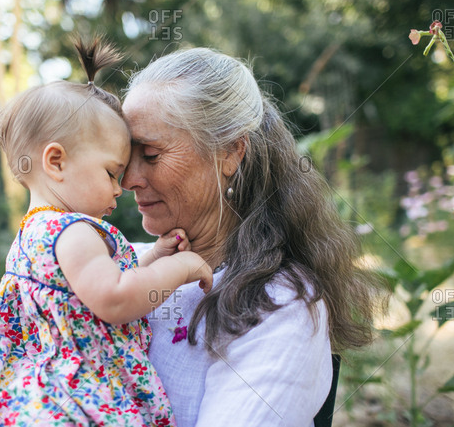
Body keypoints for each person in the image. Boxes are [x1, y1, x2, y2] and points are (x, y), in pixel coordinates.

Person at [0, 38, 212, 427]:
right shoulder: (73, 231)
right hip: (73, 391)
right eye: (111, 172)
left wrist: (155, 258)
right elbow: (113, 300)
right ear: (56, 161)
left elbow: (87, 293)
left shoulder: (36, 230)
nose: (120, 187)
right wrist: (184, 268)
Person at [121, 47, 380, 427]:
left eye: (151, 154)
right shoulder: (121, 264)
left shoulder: (280, 306)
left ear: (230, 151)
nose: (128, 179)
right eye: (126, 156)